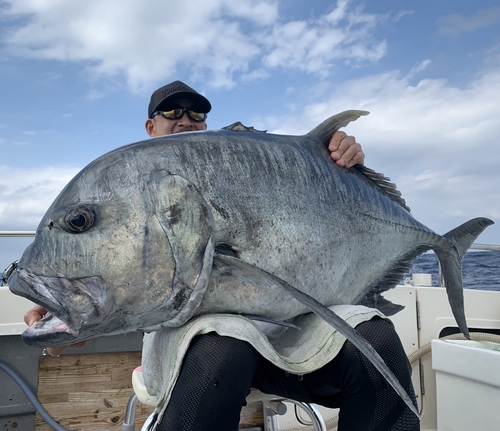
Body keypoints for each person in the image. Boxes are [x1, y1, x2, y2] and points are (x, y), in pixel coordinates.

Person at [25, 81, 418, 431]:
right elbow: (99, 308)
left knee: (376, 340)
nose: (185, 119)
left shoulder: (245, 165)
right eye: (171, 111)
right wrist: (58, 321)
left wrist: (343, 169)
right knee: (222, 349)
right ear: (150, 126)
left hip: (286, 337)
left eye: (197, 113)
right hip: (202, 353)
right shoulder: (126, 183)